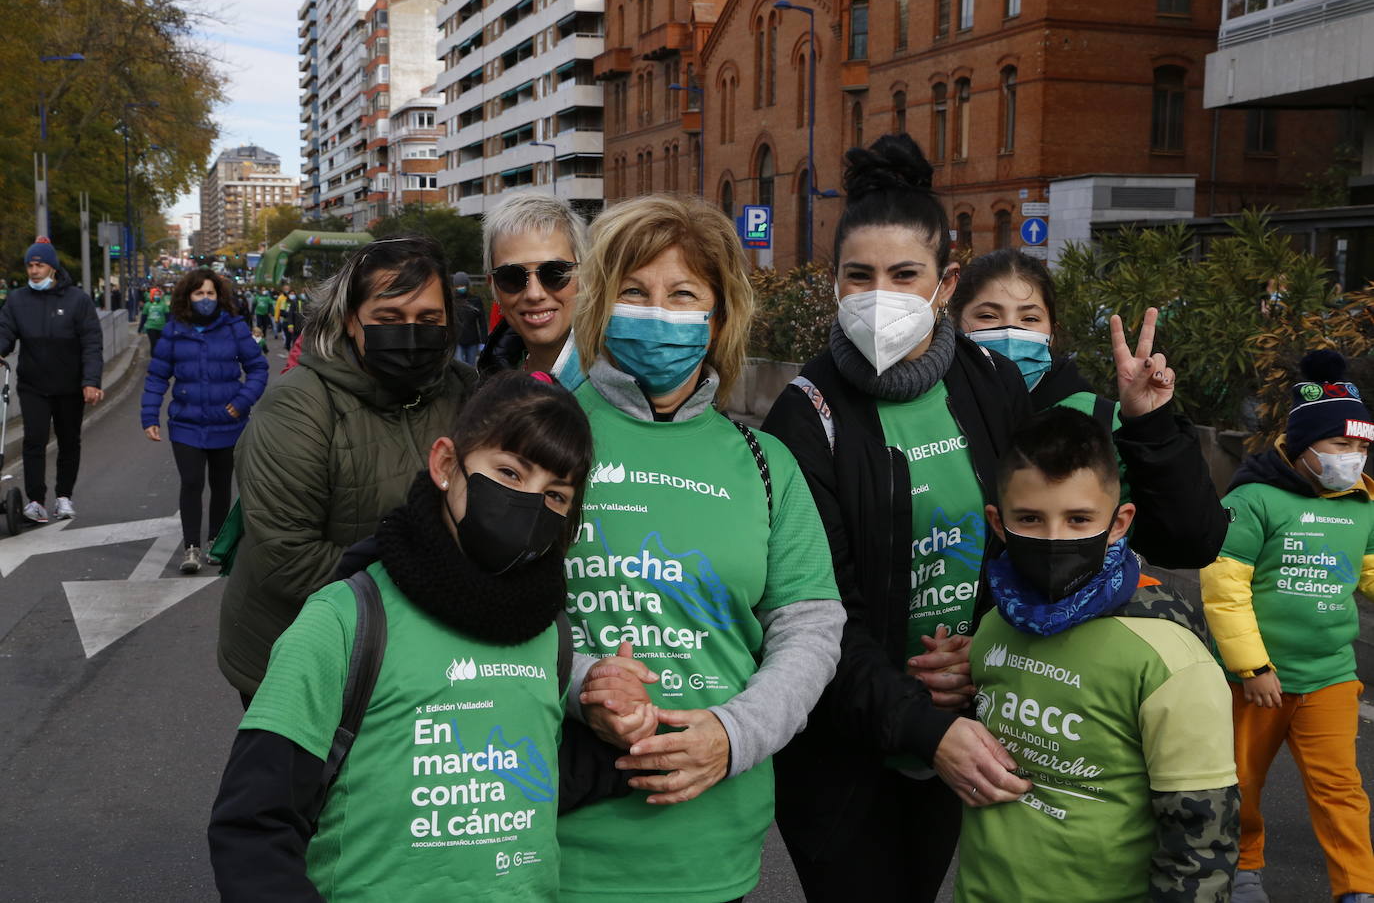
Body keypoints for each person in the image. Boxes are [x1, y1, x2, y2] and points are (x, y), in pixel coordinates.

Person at [208, 372, 651, 902]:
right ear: (445, 464)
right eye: (509, 472)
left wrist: (634, 736)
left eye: (555, 495)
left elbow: (525, 775)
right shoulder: (346, 619)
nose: (529, 504)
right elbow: (253, 824)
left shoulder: (547, 631)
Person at [760, 136, 1035, 901]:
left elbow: (1035, 540)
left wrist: (982, 651)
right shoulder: (804, 416)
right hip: (844, 753)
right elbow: (817, 612)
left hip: (963, 720)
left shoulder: (994, 385)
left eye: (904, 274)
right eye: (860, 276)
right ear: (836, 284)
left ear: (946, 282)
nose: (880, 294)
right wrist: (920, 721)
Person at [555, 194, 846, 903]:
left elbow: (810, 625)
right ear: (599, 305)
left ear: (717, 317)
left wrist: (733, 733)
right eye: (634, 291)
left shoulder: (763, 460)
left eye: (683, 294)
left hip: (711, 841)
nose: (658, 313)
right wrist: (581, 679)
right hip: (553, 834)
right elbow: (480, 599)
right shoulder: (539, 436)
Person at [956, 407, 1239, 903]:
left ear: (1118, 523)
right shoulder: (994, 624)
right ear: (998, 524)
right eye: (1029, 518)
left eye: (1079, 519)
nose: (1052, 538)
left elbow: (1201, 836)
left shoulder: (1171, 658)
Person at [217, 236, 479, 701]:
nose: (411, 332)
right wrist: (439, 587)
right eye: (389, 318)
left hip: (420, 661)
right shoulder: (297, 406)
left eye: (428, 319)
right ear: (350, 321)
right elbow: (289, 558)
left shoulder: (469, 394)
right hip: (304, 659)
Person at [1200, 350, 1374, 903]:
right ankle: (1244, 868)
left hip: (1330, 676)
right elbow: (1224, 589)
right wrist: (1251, 666)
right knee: (1242, 784)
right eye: (1341, 445)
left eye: (1362, 446)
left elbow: (1372, 570)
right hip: (1256, 681)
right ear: (1303, 445)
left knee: (1340, 788)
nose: (1354, 457)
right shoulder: (1254, 499)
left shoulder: (1364, 503)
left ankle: (1357, 888)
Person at [950, 248, 1228, 569]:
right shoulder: (934, 414)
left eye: (1029, 318)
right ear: (957, 324)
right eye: (988, 316)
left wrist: (1152, 424)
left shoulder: (1099, 421)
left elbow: (1191, 545)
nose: (1012, 332)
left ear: (1052, 332)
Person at [141, 269, 268, 574]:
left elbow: (258, 369)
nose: (205, 299)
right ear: (188, 297)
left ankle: (216, 541)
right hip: (186, 423)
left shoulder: (235, 328)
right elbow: (158, 376)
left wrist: (240, 404)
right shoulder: (174, 330)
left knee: (221, 485)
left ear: (219, 296)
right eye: (199, 294)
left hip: (227, 423)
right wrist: (149, 415)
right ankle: (191, 548)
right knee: (192, 482)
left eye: (211, 293)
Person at [0, 238, 104, 523]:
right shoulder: (18, 300)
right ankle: (35, 501)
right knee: (34, 439)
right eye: (30, 265)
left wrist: (91, 380)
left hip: (70, 386)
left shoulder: (77, 301)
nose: (33, 271)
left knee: (69, 441)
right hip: (33, 385)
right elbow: (5, 331)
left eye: (39, 265)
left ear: (53, 268)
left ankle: (64, 497)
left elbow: (92, 343)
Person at [477, 191, 586, 388]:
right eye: (511, 277)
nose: (534, 294)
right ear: (493, 285)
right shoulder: (488, 382)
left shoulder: (621, 384)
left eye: (555, 273)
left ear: (585, 274)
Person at [451, 271, 487, 365]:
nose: (461, 288)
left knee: (471, 367)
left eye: (463, 285)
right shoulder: (452, 301)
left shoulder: (475, 300)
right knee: (459, 365)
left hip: (473, 341)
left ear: (467, 285)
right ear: (455, 286)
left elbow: (482, 322)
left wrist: (484, 341)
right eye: (459, 285)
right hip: (457, 341)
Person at [139, 286, 170, 354]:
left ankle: (159, 358)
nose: (157, 296)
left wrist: (169, 327)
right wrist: (140, 328)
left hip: (161, 327)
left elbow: (168, 317)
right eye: (155, 294)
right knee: (153, 343)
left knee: (160, 344)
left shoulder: (163, 305)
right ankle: (153, 359)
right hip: (151, 327)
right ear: (152, 295)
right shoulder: (147, 305)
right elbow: (144, 317)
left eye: (158, 294)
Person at [278, 283, 302, 353]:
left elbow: (300, 312)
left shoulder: (298, 302)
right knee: (288, 339)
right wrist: (289, 314)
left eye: (293, 294)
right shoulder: (284, 302)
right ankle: (288, 349)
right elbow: (281, 312)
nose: (292, 295)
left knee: (295, 339)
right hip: (286, 323)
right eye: (290, 294)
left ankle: (294, 353)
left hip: (296, 324)